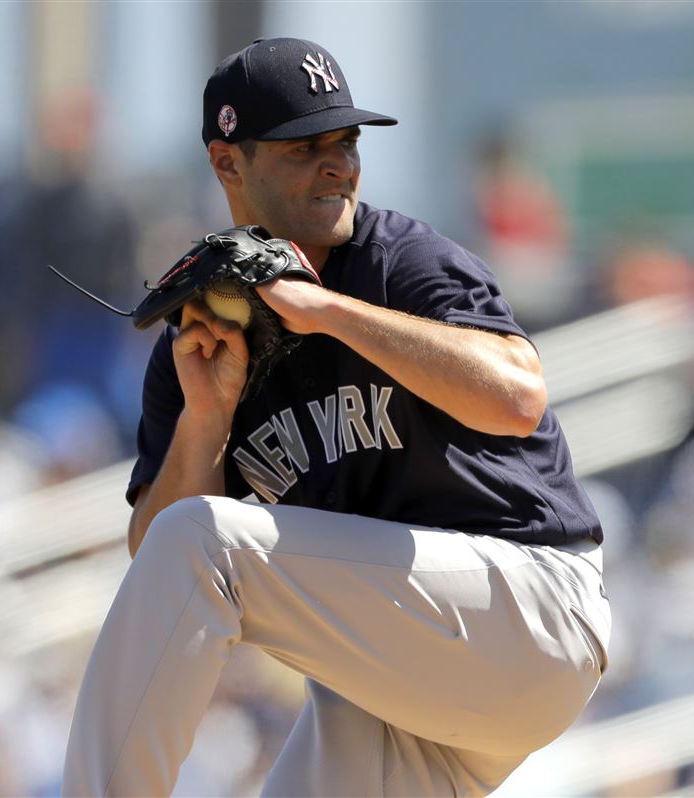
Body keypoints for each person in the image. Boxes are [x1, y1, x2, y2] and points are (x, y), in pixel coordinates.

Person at [62, 37, 611, 797]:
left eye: (346, 142)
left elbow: (518, 396)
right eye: (303, 147)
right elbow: (152, 558)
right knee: (189, 542)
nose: (338, 164)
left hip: (527, 612)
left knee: (206, 540)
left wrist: (325, 312)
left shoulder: (402, 262)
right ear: (229, 164)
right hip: (407, 686)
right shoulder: (195, 348)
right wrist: (207, 422)